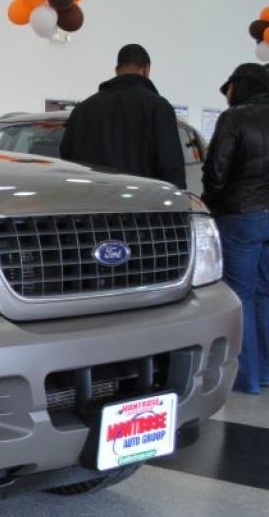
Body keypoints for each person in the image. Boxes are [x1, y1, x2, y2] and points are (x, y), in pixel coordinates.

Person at [201, 62, 269, 394]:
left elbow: (216, 170)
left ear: (241, 85)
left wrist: (210, 201)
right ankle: (266, 372)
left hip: (241, 214)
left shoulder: (235, 118)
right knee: (265, 292)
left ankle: (246, 378)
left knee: (239, 295)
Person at [59, 44, 185, 188]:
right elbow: (171, 169)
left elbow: (67, 160)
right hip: (143, 204)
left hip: (90, 204)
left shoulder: (82, 110)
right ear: (146, 69)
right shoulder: (159, 108)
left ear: (117, 70)